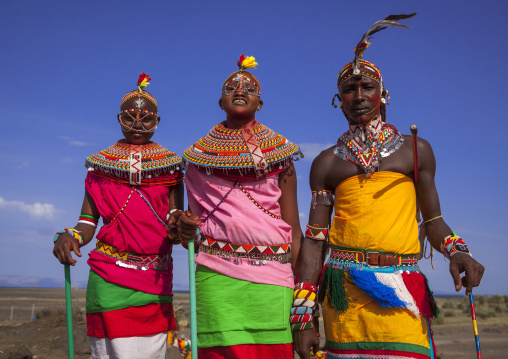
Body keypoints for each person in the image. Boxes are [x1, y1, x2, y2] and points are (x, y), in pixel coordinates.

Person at [294, 14, 485, 359]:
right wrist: (304, 318)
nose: (358, 96)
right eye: (348, 90)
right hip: (344, 294)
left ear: (383, 94)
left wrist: (459, 251)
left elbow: (433, 221)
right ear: (338, 100)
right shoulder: (326, 163)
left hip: (402, 290)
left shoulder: (415, 149)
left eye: (367, 87)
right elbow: (314, 241)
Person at [170, 55, 303, 358]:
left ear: (260, 103)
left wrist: (304, 294)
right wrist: (184, 226)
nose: (240, 91)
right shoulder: (196, 160)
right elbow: (188, 229)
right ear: (220, 101)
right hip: (215, 277)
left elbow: (293, 228)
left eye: (249, 89)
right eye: (231, 87)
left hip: (273, 277)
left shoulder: (281, 157)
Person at [52, 73, 184, 358]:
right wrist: (70, 236)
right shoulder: (99, 169)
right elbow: (87, 223)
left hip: (156, 282)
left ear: (157, 122)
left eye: (146, 119)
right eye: (130, 118)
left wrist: (183, 227)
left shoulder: (172, 170)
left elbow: (174, 225)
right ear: (118, 119)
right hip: (109, 277)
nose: (138, 124)